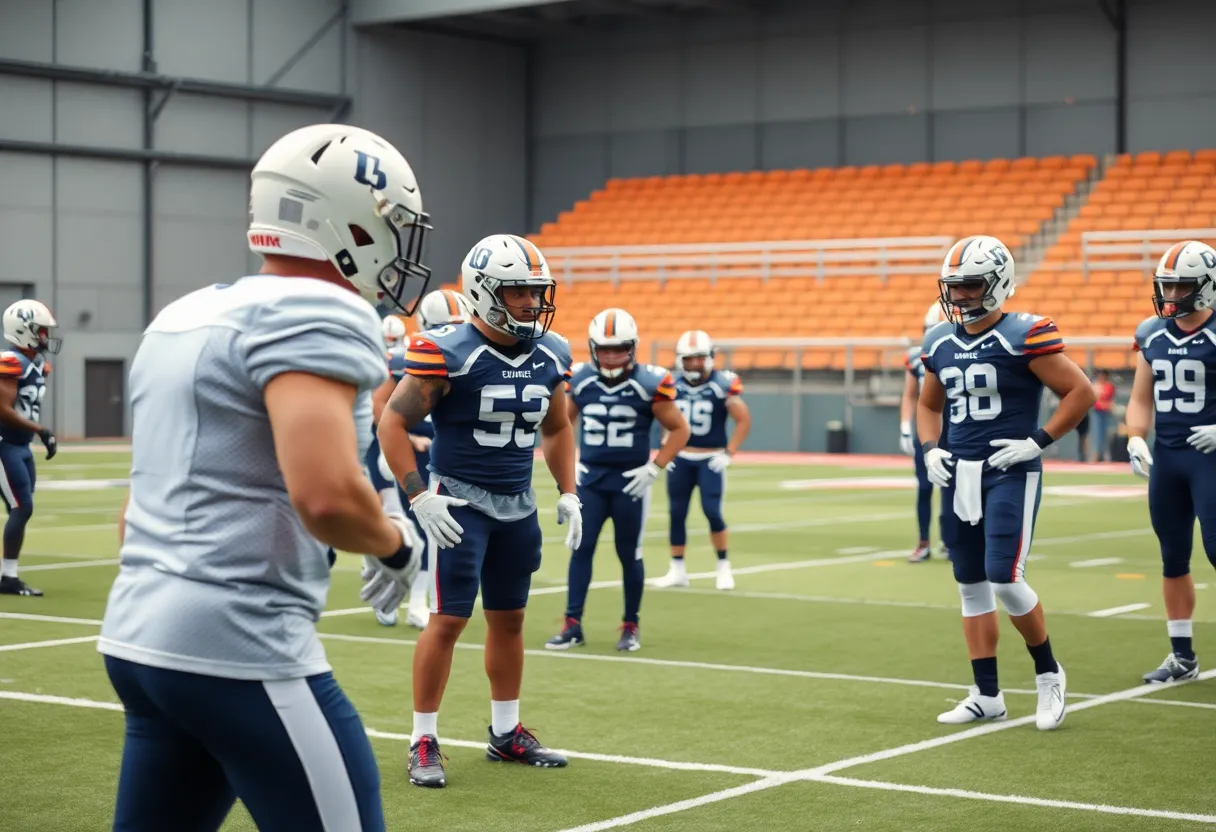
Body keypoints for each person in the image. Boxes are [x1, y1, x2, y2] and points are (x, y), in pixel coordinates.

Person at [96, 123, 430, 831]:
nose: (399, 246)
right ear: (349, 222)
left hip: (136, 640)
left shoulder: (181, 315)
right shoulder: (317, 306)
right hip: (238, 644)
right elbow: (326, 495)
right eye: (392, 225)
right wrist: (398, 546)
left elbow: (134, 515)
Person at [377, 234, 581, 789]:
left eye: (535, 292)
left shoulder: (553, 351)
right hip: (459, 502)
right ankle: (422, 737)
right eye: (518, 291)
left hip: (518, 504)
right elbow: (390, 424)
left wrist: (568, 489)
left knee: (510, 618)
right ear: (485, 291)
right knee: (448, 620)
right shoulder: (446, 350)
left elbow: (558, 426)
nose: (530, 303)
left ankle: (506, 732)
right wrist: (419, 494)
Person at [918, 234, 1093, 731]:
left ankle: (1049, 673)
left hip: (1010, 471)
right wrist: (931, 450)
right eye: (954, 286)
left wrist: (1038, 441)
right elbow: (929, 404)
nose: (960, 295)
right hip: (959, 473)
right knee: (969, 584)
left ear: (997, 284)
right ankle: (986, 694)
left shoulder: (1024, 334)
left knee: (1005, 577)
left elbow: (1079, 392)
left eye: (970, 285)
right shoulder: (938, 341)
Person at [546, 308, 689, 652]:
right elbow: (559, 428)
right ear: (594, 348)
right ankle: (572, 625)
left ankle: (630, 625)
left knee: (630, 554)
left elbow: (680, 429)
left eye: (619, 348)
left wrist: (655, 467)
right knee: (581, 550)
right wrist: (570, 472)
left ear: (633, 347)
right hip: (591, 480)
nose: (611, 356)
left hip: (630, 482)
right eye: (605, 349)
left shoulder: (650, 381)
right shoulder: (579, 379)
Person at [1125, 240, 1216, 683]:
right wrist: (1136, 437)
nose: (1172, 294)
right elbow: (1140, 397)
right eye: (1167, 285)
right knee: (1172, 556)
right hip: (1170, 457)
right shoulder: (1152, 333)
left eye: (1181, 285)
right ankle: (1182, 656)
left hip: (1211, 458)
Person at [365, 290, 472, 629]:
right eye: (444, 327)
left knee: (433, 531)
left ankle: (416, 601)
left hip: (437, 455)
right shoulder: (405, 358)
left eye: (457, 327)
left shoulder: (471, 358)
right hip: (399, 453)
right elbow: (379, 408)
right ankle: (394, 595)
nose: (451, 335)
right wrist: (408, 437)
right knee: (402, 525)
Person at [652, 330, 751, 591]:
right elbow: (663, 418)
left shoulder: (723, 383)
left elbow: (743, 419)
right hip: (681, 457)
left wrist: (729, 452)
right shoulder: (671, 383)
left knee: (712, 511)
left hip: (710, 458)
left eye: (699, 358)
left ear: (709, 358)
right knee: (676, 513)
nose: (694, 364)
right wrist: (666, 447)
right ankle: (677, 569)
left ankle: (723, 566)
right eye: (689, 359)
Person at [0, 300, 59, 597]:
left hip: (20, 445)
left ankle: (8, 575)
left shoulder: (37, 365)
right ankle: (7, 578)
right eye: (41, 330)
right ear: (24, 330)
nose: (46, 336)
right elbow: (3, 409)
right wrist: (42, 430)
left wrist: (37, 434)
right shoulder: (10, 361)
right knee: (22, 507)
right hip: (4, 444)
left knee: (21, 508)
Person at [900, 301, 948, 563]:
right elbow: (910, 395)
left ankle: (952, 541)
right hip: (926, 427)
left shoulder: (958, 351)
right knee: (925, 487)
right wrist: (905, 428)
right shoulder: (916, 357)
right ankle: (923, 541)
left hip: (953, 426)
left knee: (954, 488)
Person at [1091, 369, 1116, 461]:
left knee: (1105, 434)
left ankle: (1105, 456)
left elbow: (1107, 397)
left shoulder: (1108, 386)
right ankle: (1097, 456)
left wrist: (1099, 394)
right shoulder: (1095, 385)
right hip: (1097, 412)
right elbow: (1094, 397)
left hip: (1105, 412)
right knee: (1097, 434)